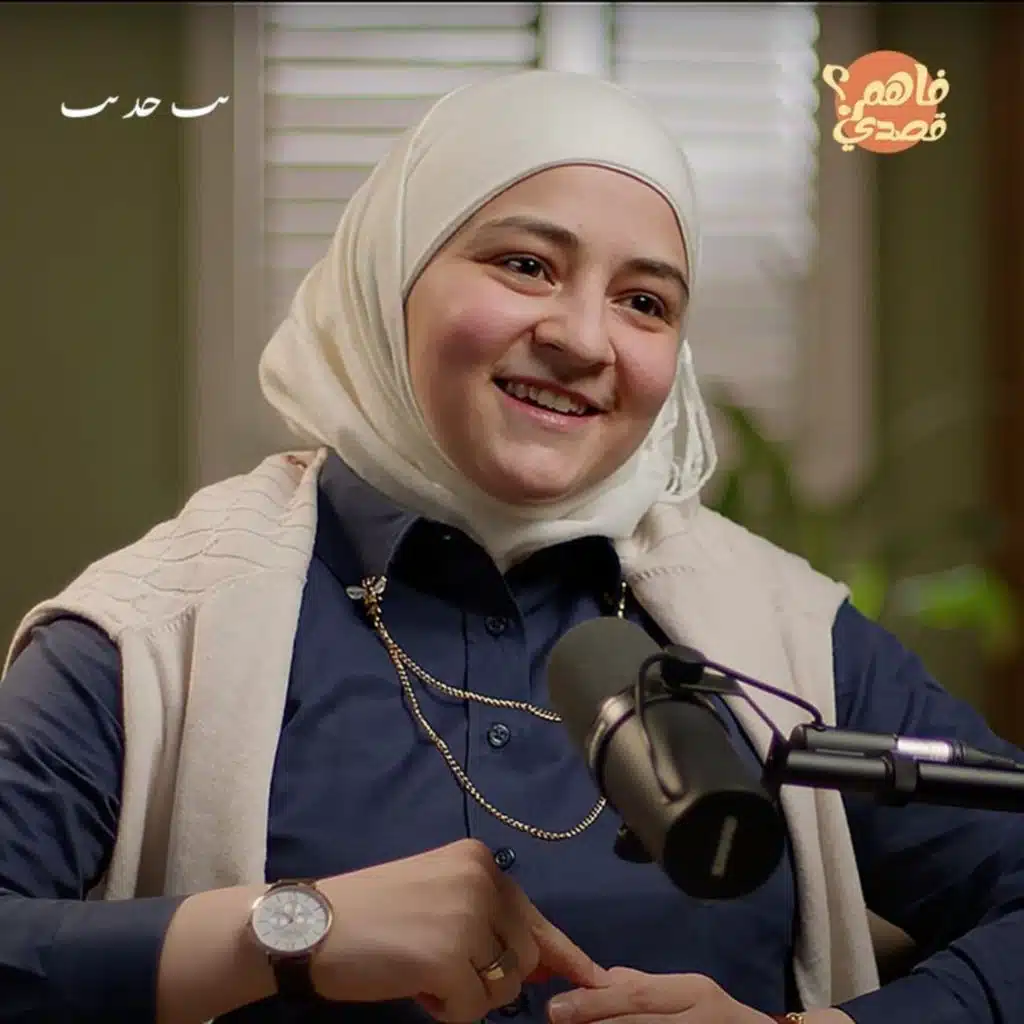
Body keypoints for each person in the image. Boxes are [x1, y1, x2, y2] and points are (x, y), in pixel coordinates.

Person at [0, 68, 1022, 1024]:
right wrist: (291, 928)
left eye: (644, 302)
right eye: (525, 265)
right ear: (392, 276)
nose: (583, 339)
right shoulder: (154, 629)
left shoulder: (785, 636)